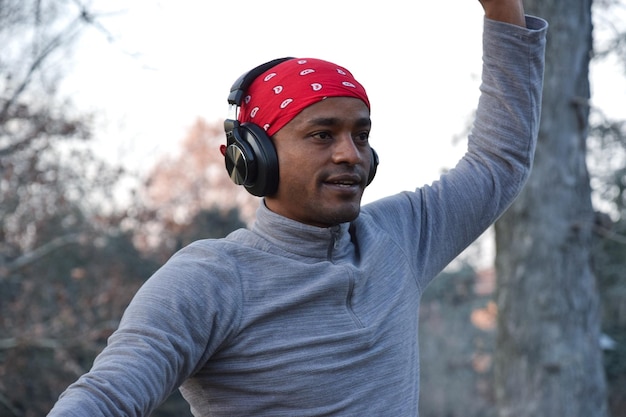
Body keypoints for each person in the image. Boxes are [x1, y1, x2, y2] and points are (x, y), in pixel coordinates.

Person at [48, 1, 547, 416]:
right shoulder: (209, 280)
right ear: (255, 157)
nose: (350, 153)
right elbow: (107, 397)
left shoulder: (400, 238)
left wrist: (503, 10)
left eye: (361, 134)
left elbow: (498, 163)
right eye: (322, 134)